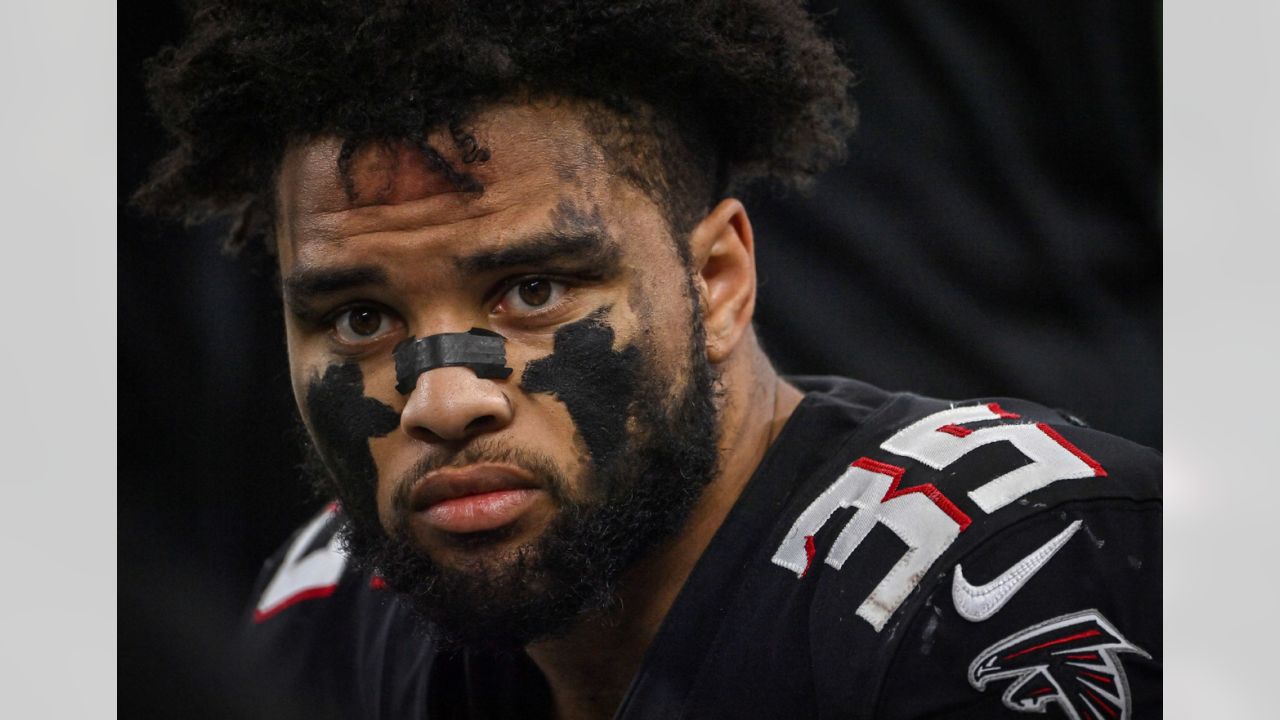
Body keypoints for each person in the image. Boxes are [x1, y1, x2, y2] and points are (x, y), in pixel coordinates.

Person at [136, 2, 1161, 718]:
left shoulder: (1012, 585)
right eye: (357, 316)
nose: (443, 400)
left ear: (715, 279)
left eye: (533, 291)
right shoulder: (327, 611)